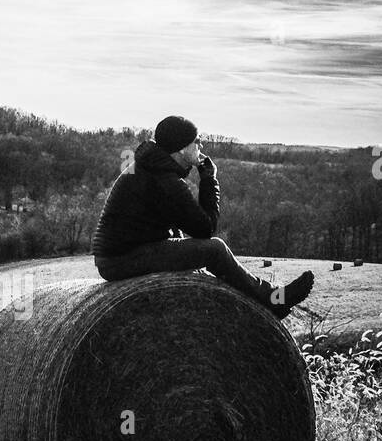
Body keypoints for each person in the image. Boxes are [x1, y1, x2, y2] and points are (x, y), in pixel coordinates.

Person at [91, 115, 314, 318]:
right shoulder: (165, 181)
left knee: (200, 249)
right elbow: (205, 229)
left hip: (121, 256)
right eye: (196, 141)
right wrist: (209, 180)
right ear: (180, 148)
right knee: (214, 249)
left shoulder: (150, 168)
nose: (201, 145)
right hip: (121, 260)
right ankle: (272, 299)